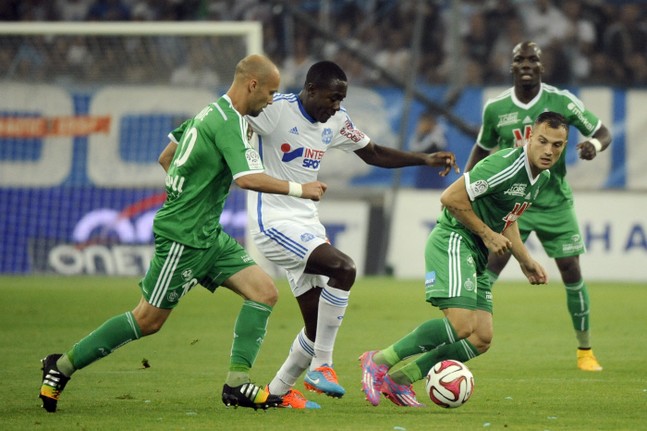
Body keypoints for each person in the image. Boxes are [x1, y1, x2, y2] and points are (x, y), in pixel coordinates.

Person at [38, 54, 327, 413]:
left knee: (264, 292)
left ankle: (236, 385)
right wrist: (302, 189)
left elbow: (166, 156)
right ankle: (61, 366)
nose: (271, 100)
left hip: (208, 234)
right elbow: (247, 178)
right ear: (252, 84)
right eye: (269, 92)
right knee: (147, 320)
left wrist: (188, 191)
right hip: (183, 239)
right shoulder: (231, 124)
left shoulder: (207, 114)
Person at [245, 60, 458, 408]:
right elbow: (229, 118)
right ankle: (323, 367)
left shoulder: (337, 122)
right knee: (344, 268)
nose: (336, 107)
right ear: (311, 89)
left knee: (317, 326)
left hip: (307, 222)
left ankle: (277, 392)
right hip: (273, 219)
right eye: (332, 98)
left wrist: (425, 158)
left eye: (341, 100)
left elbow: (373, 153)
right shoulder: (275, 111)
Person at [360, 111, 567, 407]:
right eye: (543, 141)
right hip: (455, 239)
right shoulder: (505, 165)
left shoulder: (541, 177)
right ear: (530, 137)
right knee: (461, 326)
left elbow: (507, 218)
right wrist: (486, 234)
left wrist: (525, 260)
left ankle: (400, 380)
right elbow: (450, 198)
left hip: (477, 251)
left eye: (557, 145)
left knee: (480, 338)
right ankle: (379, 360)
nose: (549, 150)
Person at [463, 41, 612, 372]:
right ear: (512, 66)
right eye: (520, 59)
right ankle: (469, 335)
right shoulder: (496, 108)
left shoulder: (561, 101)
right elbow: (481, 149)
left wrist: (592, 145)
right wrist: (465, 187)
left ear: (542, 66)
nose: (527, 64)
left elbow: (603, 132)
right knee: (490, 267)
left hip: (555, 201)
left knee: (571, 270)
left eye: (533, 59)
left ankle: (585, 351)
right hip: (513, 201)